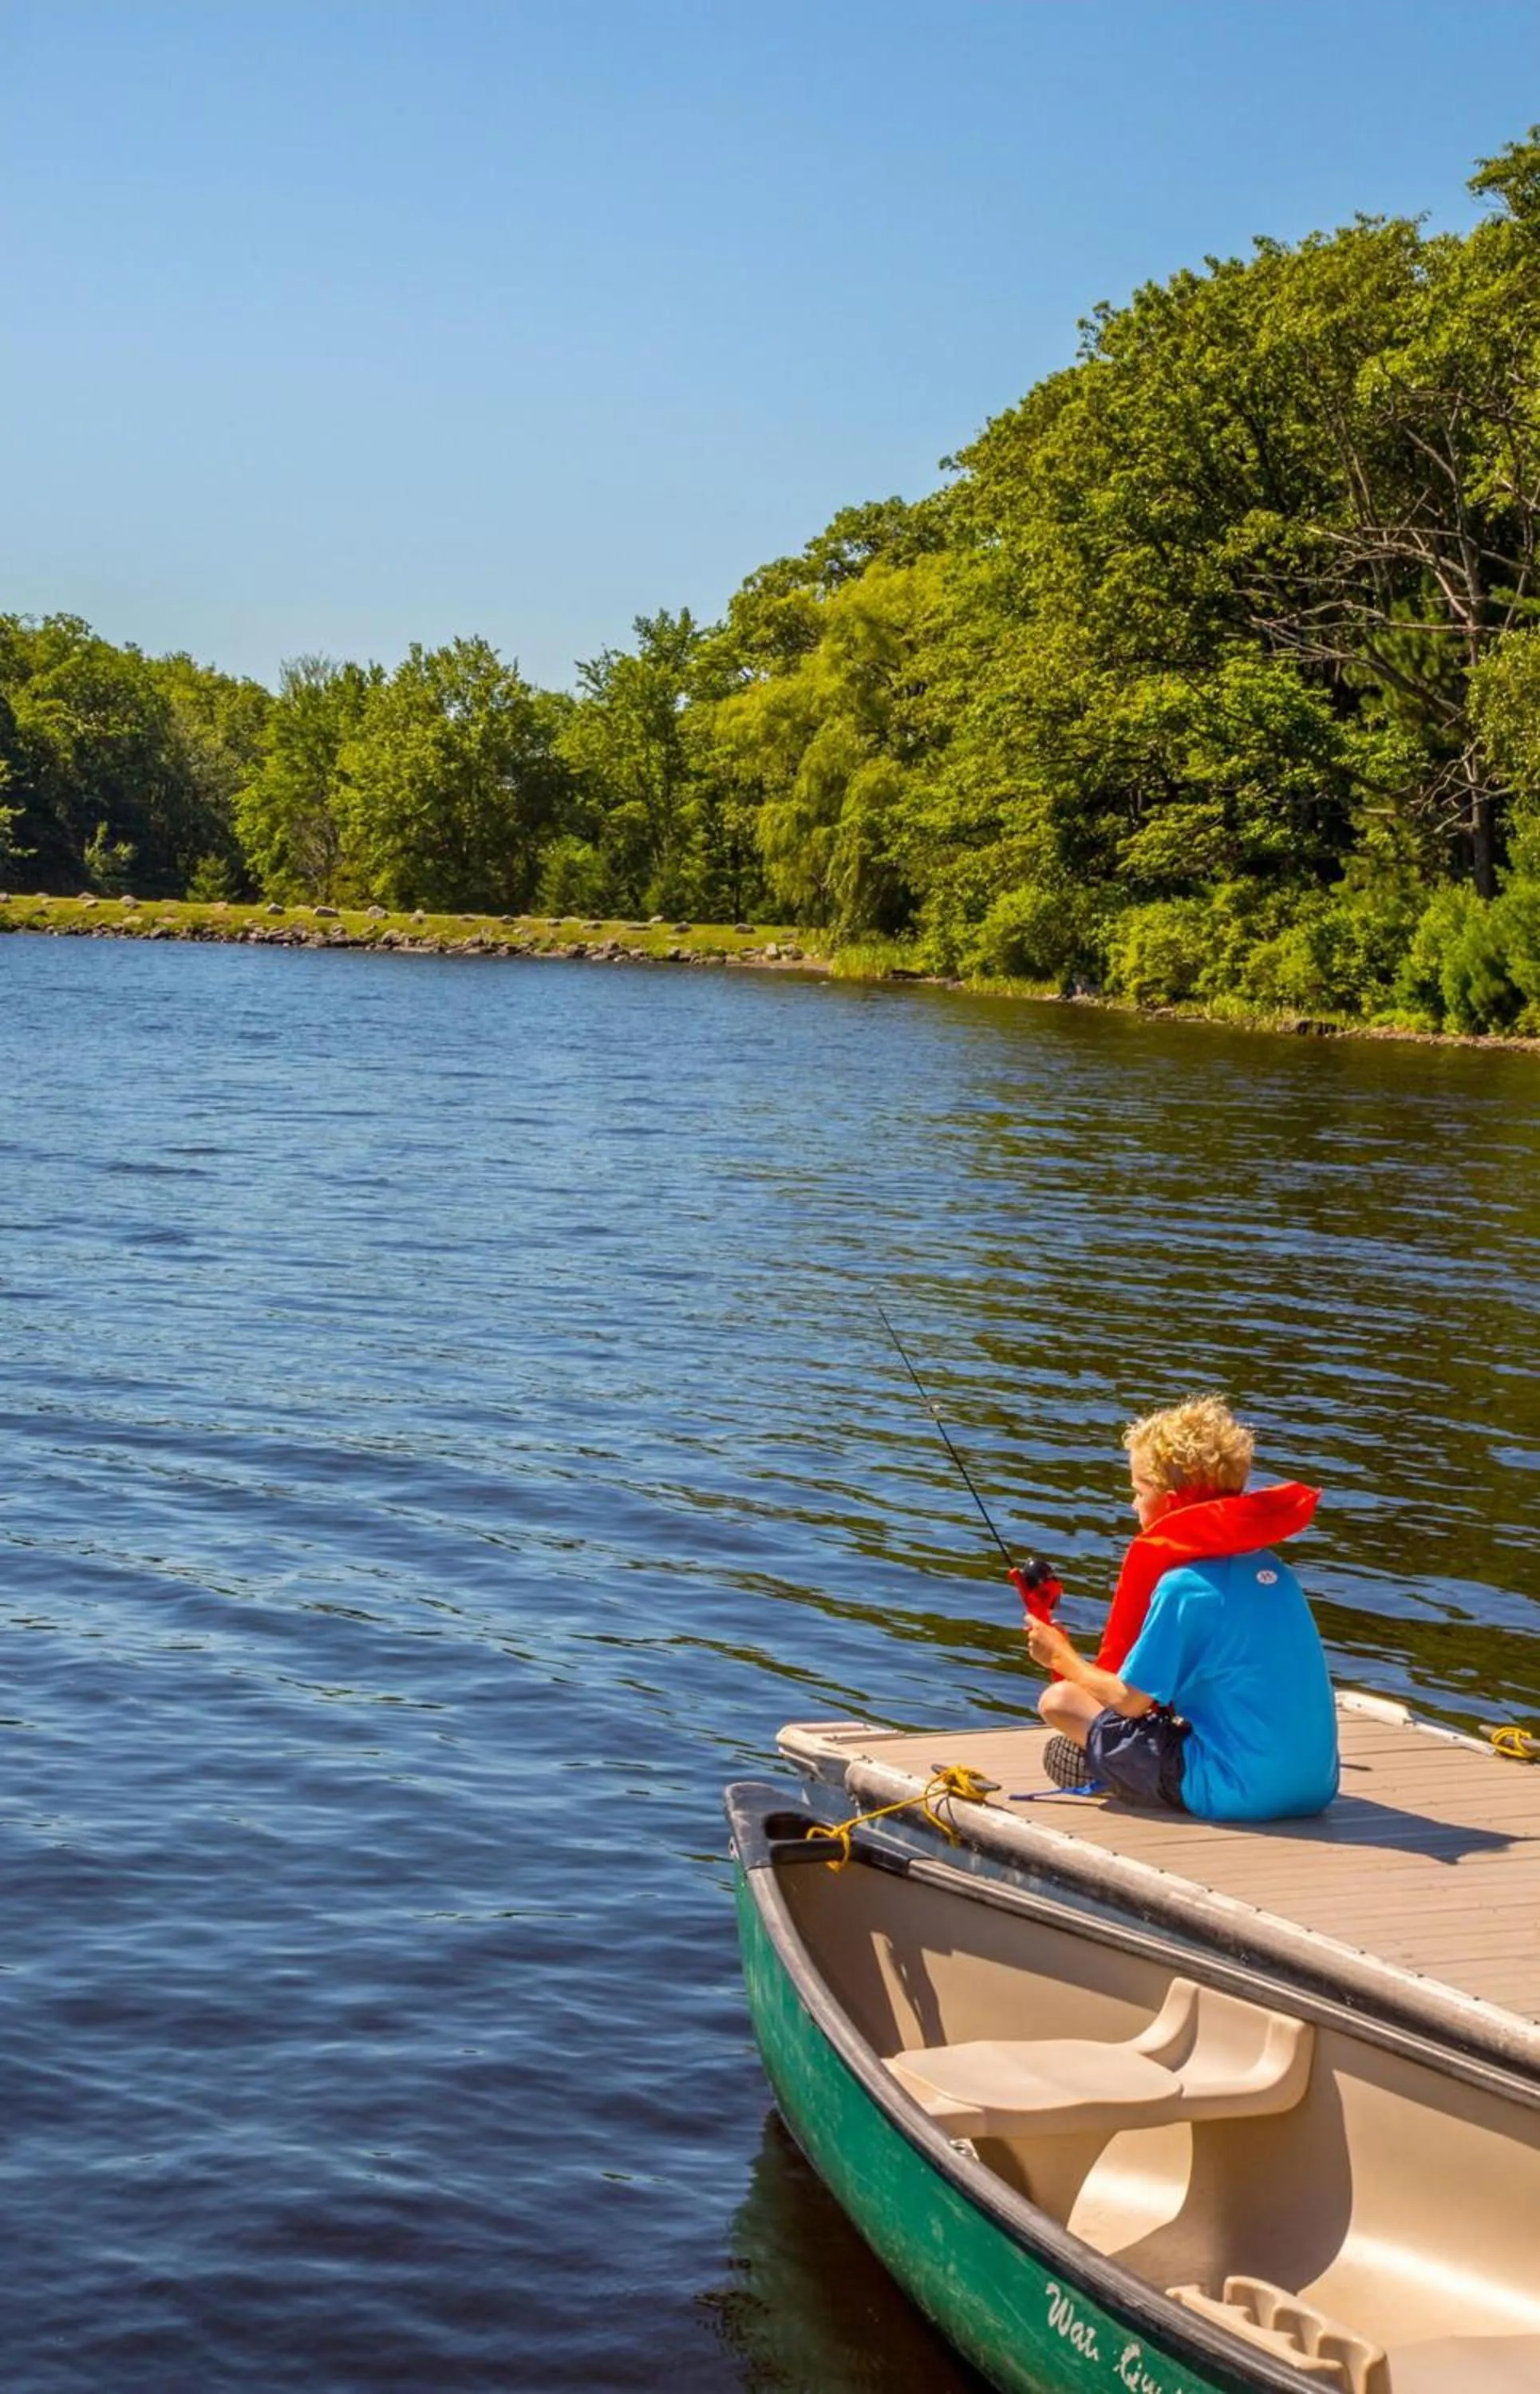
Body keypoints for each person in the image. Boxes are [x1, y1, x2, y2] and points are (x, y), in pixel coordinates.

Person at [1023, 1394, 1339, 1821]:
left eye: (1138, 1492)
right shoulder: (1273, 1570)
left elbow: (1129, 1701)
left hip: (1236, 1793)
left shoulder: (1185, 1588)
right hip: (1317, 1788)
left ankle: (1113, 1767)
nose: (1133, 1504)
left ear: (1169, 1502)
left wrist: (1060, 1655)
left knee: (1060, 1702)